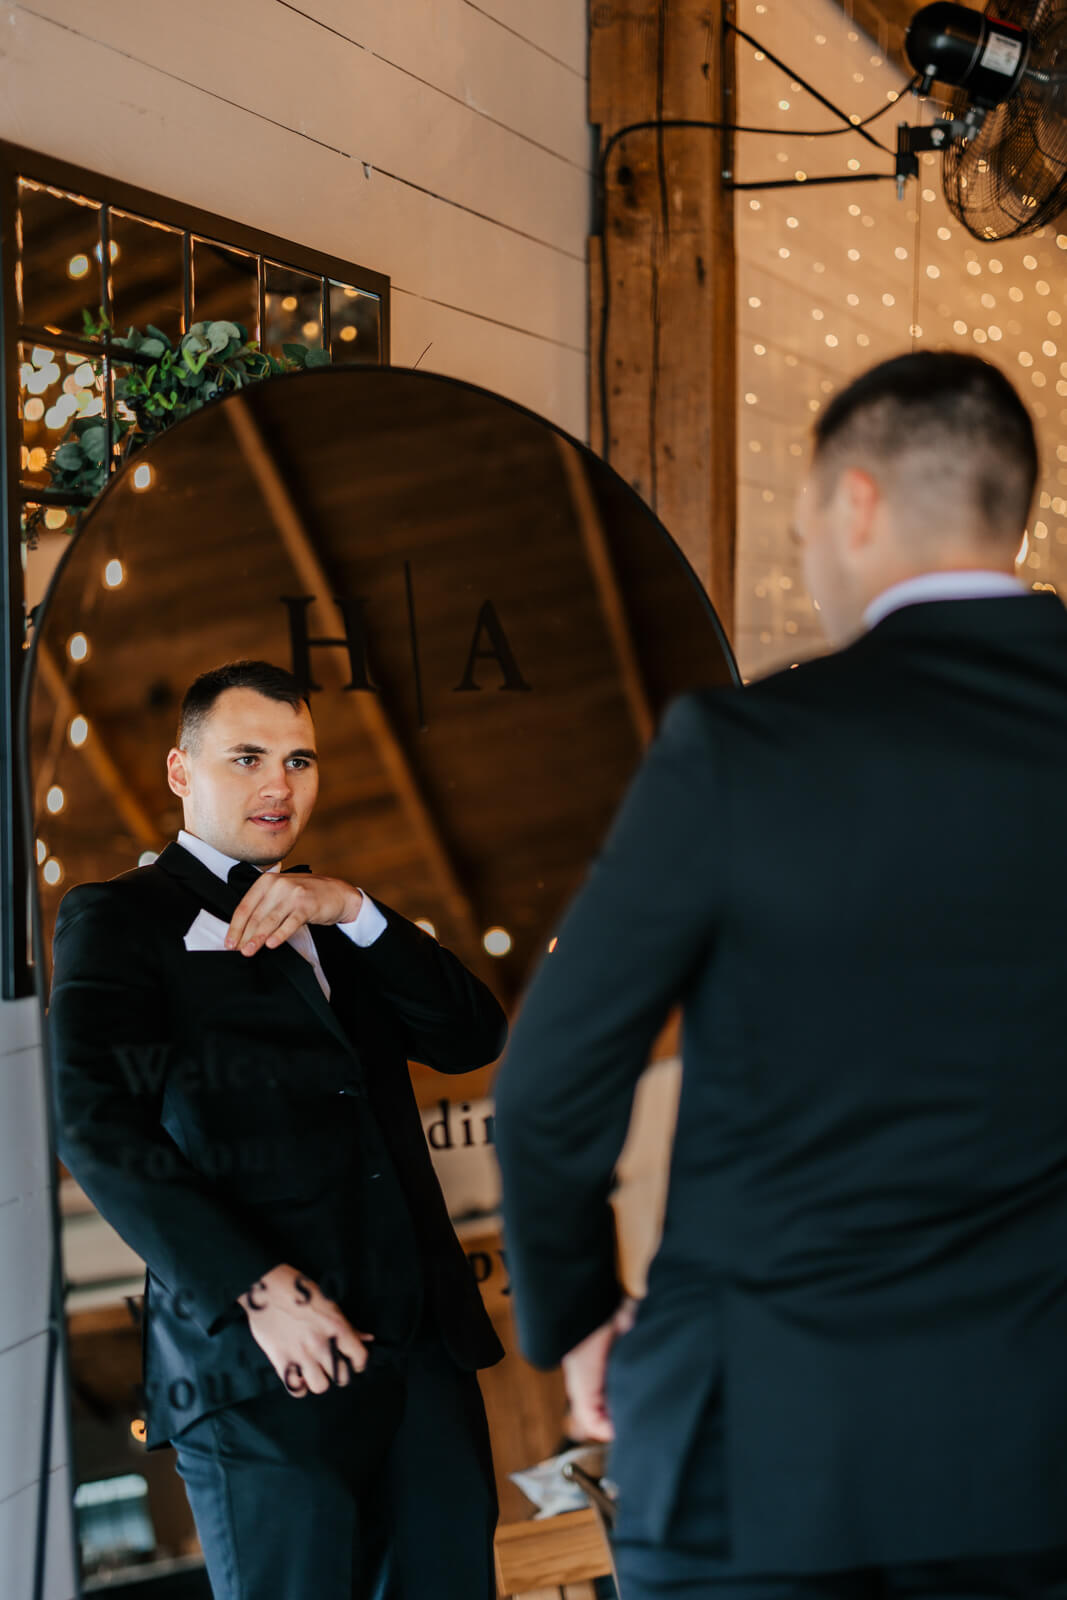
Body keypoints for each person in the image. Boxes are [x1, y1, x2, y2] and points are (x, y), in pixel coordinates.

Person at [495, 351, 1067, 1599]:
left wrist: (581, 1315)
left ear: (855, 503)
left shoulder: (746, 748)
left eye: (805, 521)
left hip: (760, 1450)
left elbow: (546, 1085)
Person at [49, 659, 508, 1600]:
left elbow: (472, 1036)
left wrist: (354, 908)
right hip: (258, 1373)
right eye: (248, 757)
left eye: (299, 761)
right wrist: (257, 1291)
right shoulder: (119, 916)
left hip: (419, 1359)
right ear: (182, 772)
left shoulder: (341, 921)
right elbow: (91, 1119)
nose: (278, 786)